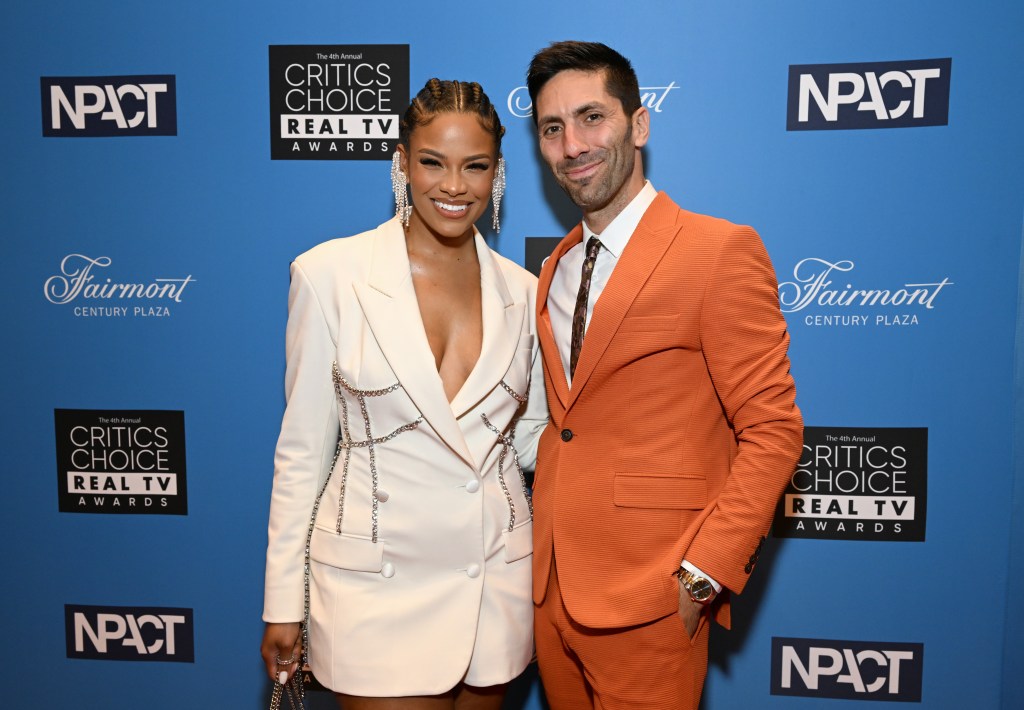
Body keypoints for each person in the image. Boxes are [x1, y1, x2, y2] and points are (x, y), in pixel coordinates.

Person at [526, 41, 804, 709]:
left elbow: (773, 430)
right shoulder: (555, 269)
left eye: (592, 117)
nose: (573, 145)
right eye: (552, 127)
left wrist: (703, 575)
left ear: (639, 124)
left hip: (653, 599)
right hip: (550, 594)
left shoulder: (717, 251)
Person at [260, 78, 547, 710]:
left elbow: (532, 439)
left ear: (497, 173)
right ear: (400, 163)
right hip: (374, 587)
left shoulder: (525, 292)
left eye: (474, 166)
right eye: (432, 163)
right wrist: (283, 601)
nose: (453, 186)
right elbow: (304, 451)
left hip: (492, 582)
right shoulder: (331, 274)